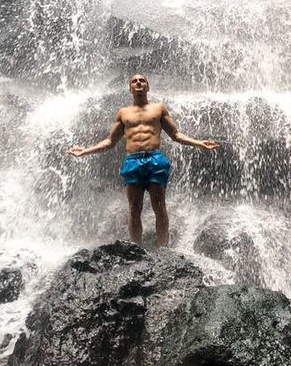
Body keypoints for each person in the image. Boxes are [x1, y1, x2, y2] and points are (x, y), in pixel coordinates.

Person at [68, 73, 219, 248]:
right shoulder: (123, 113)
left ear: (147, 87)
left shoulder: (158, 108)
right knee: (134, 206)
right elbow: (110, 141)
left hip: (155, 159)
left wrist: (199, 143)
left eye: (142, 80)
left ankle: (163, 248)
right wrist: (85, 151)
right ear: (130, 88)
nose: (138, 82)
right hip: (133, 161)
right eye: (134, 81)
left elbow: (175, 135)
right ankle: (136, 248)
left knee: (159, 205)